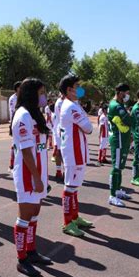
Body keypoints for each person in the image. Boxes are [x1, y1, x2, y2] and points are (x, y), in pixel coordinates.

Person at [10, 78, 53, 277]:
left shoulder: (36, 114)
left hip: (39, 172)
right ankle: (21, 258)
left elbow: (41, 147)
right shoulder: (22, 116)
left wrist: (44, 176)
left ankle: (31, 250)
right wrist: (36, 178)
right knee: (25, 216)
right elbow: (27, 152)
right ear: (31, 93)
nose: (44, 96)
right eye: (41, 92)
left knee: (35, 212)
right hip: (28, 173)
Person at [59, 75, 93, 237]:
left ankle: (74, 217)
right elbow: (88, 127)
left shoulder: (74, 104)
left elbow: (86, 125)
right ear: (69, 90)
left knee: (74, 187)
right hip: (73, 152)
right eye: (76, 86)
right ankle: (67, 223)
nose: (79, 89)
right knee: (70, 186)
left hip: (77, 150)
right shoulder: (70, 107)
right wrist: (85, 122)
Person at [107, 83, 132, 207]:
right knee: (116, 167)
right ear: (119, 92)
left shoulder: (120, 104)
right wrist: (130, 119)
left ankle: (117, 191)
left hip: (123, 139)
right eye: (126, 93)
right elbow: (129, 120)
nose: (127, 95)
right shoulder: (116, 106)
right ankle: (112, 195)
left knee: (120, 167)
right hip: (118, 140)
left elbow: (128, 121)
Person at [8, 81, 22, 172]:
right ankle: (11, 164)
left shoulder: (22, 97)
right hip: (15, 122)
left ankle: (19, 162)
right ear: (17, 88)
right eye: (21, 87)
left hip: (22, 122)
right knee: (14, 143)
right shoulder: (13, 98)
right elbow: (14, 111)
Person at [52, 93, 65, 182]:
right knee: (59, 151)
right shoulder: (60, 102)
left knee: (61, 151)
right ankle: (59, 171)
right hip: (60, 131)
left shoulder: (68, 101)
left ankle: (63, 171)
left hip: (61, 130)